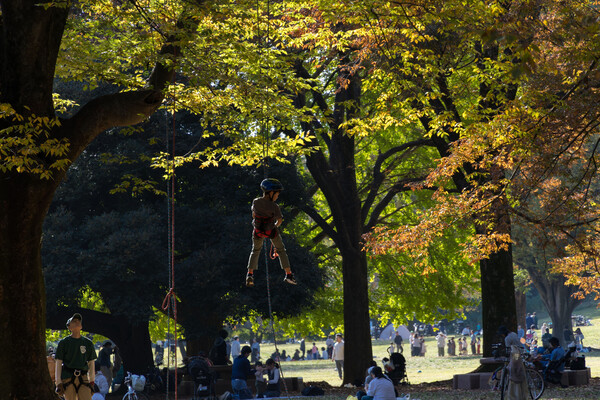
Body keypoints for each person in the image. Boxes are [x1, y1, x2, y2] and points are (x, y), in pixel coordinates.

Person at [246, 178, 297, 286]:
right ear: (271, 193)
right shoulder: (275, 206)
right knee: (281, 250)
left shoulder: (256, 201)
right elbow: (279, 220)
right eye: (277, 194)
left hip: (258, 231)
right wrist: (274, 227)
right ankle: (288, 275)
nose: (277, 196)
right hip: (271, 231)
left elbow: (254, 215)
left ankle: (250, 274)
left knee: (255, 250)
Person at [55, 313, 98, 400]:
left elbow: (91, 363)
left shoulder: (88, 343)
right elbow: (58, 363)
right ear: (69, 327)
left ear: (81, 326)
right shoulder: (64, 343)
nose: (77, 322)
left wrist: (92, 381)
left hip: (84, 378)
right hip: (68, 378)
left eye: (79, 321)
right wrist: (58, 382)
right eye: (74, 321)